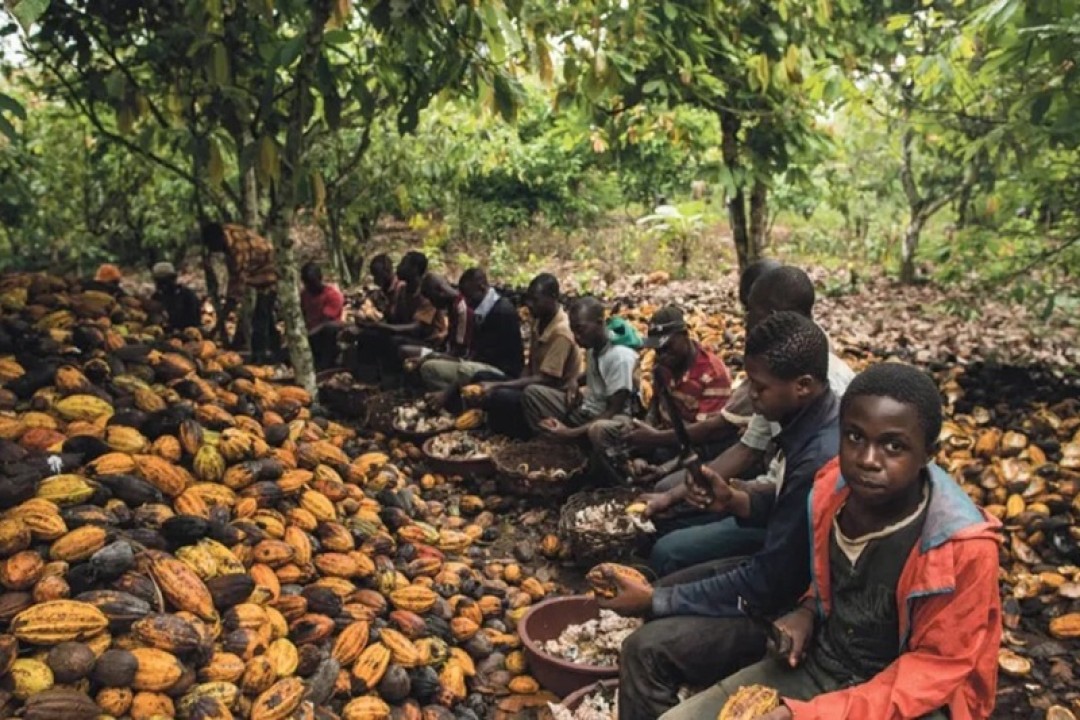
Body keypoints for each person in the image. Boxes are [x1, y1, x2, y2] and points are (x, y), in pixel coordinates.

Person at [663, 363, 1002, 720]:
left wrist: (810, 715)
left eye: (893, 445)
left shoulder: (963, 548)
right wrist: (807, 612)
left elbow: (936, 668)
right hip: (826, 664)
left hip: (910, 698)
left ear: (927, 454)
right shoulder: (830, 490)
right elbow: (831, 578)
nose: (868, 460)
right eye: (855, 437)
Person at [598, 311, 840, 720]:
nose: (752, 396)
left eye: (759, 387)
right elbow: (791, 512)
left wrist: (658, 600)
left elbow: (767, 583)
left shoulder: (819, 456)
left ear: (802, 387)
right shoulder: (808, 422)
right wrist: (736, 501)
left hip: (798, 609)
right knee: (671, 579)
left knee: (644, 647)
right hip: (787, 579)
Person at [643, 265, 856, 576]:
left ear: (770, 314)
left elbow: (791, 514)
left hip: (789, 525)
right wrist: (672, 497)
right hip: (766, 497)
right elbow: (748, 448)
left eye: (749, 313)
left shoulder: (816, 392)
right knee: (669, 516)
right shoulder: (777, 368)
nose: (745, 322)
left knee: (669, 551)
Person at [524, 296, 638, 452]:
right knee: (533, 393)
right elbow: (593, 374)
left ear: (599, 323)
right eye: (573, 331)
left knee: (598, 429)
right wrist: (574, 381)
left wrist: (569, 433)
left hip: (613, 419)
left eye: (580, 330)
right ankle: (553, 446)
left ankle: (577, 449)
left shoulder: (619, 357)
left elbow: (613, 410)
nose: (576, 337)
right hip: (588, 409)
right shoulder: (593, 348)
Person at [477, 273, 581, 439]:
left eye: (536, 300)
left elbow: (545, 379)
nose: (529, 305)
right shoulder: (539, 321)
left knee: (500, 396)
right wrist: (509, 385)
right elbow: (530, 365)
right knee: (481, 378)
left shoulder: (561, 332)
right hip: (533, 384)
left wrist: (498, 386)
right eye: (529, 299)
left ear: (553, 298)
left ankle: (521, 437)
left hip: (549, 394)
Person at [630, 304, 733, 468]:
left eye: (667, 347)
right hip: (664, 439)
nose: (662, 356)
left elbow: (705, 435)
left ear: (685, 335)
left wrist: (656, 443)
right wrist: (645, 435)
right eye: (658, 350)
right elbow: (655, 404)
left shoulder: (713, 374)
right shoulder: (663, 366)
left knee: (664, 485)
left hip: (694, 448)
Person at [418, 268, 524, 401]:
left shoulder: (502, 311)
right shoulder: (481, 311)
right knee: (429, 368)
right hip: (478, 365)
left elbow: (485, 358)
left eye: (469, 297)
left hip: (501, 372)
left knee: (466, 369)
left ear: (481, 287)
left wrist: (450, 387)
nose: (467, 302)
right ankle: (454, 403)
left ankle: (450, 399)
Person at [351, 251, 444, 384]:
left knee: (393, 341)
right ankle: (366, 379)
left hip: (428, 342)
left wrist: (381, 326)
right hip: (410, 337)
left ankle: (392, 382)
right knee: (367, 335)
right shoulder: (403, 290)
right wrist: (370, 320)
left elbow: (417, 328)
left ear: (415, 269)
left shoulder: (426, 293)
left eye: (404, 263)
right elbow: (394, 318)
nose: (399, 267)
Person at [201, 221, 279, 364]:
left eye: (213, 247)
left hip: (269, 269)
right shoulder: (226, 232)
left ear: (219, 240)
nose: (214, 251)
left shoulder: (238, 251)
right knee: (267, 317)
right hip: (257, 268)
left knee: (260, 317)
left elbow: (235, 290)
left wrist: (217, 326)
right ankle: (277, 353)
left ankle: (259, 358)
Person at [300, 262, 345, 371]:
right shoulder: (304, 295)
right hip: (310, 332)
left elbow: (325, 322)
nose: (310, 287)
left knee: (329, 329)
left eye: (313, 283)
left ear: (320, 279)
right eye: (308, 283)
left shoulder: (332, 295)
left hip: (327, 335)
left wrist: (308, 334)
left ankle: (326, 364)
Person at [150, 262, 201, 332]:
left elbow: (194, 321)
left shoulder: (187, 296)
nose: (163, 286)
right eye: (159, 282)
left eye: (165, 281)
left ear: (173, 279)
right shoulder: (157, 297)